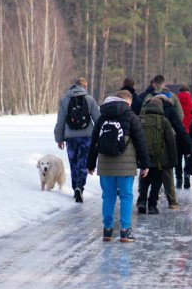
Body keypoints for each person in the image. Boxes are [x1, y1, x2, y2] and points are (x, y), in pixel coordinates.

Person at [86, 90, 150, 243]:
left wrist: (90, 164)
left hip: (105, 165)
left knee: (108, 196)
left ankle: (107, 230)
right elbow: (140, 142)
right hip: (125, 166)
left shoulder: (102, 117)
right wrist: (145, 164)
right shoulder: (131, 116)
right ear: (127, 102)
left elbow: (93, 142)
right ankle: (125, 231)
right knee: (126, 196)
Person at [53, 77, 101, 203]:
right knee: (83, 162)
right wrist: (99, 136)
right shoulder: (89, 99)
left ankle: (75, 188)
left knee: (73, 163)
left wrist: (59, 139)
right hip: (86, 137)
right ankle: (80, 186)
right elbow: (98, 119)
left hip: (70, 137)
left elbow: (60, 121)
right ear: (85, 87)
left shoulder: (65, 99)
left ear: (74, 86)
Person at [136, 98, 178, 215]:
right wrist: (173, 160)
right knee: (157, 182)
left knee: (144, 180)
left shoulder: (139, 119)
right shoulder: (163, 121)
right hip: (160, 158)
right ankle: (152, 205)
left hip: (143, 157)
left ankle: (142, 201)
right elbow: (171, 141)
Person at [176, 85, 192, 189]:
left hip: (177, 135)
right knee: (188, 157)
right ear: (188, 93)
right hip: (189, 136)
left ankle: (178, 179)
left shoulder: (175, 106)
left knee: (178, 159)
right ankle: (187, 177)